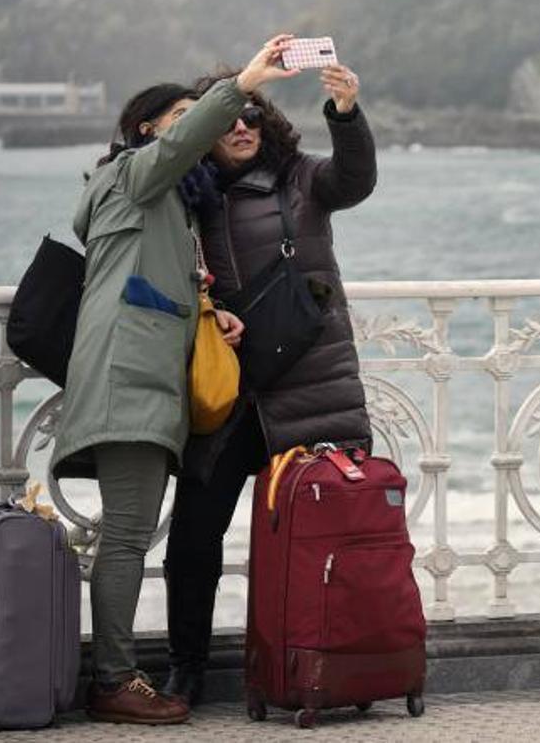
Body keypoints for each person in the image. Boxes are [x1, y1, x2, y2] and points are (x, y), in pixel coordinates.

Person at [49, 34, 298, 725]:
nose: (204, 125)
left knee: (129, 533)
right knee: (128, 536)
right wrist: (242, 84)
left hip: (148, 381)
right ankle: (116, 680)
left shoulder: (166, 205)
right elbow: (182, 146)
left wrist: (207, 317)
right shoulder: (133, 177)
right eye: (184, 115)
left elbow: (153, 287)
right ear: (147, 130)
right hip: (127, 382)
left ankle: (117, 674)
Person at [160, 52, 377, 705]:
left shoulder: (303, 181)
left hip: (314, 393)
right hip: (228, 399)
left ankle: (341, 669)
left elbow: (356, 178)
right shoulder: (179, 201)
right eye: (229, 116)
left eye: (254, 114)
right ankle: (187, 670)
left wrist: (345, 113)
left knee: (333, 542)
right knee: (194, 540)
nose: (243, 125)